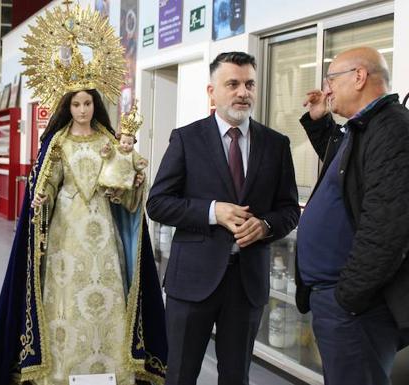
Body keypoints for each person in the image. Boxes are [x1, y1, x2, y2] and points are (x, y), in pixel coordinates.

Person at [0, 4, 167, 385]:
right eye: (76, 103)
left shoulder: (109, 141)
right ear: (67, 106)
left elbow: (124, 184)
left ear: (96, 103)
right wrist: (41, 198)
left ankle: (109, 366)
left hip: (101, 229)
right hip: (65, 230)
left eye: (88, 102)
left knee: (106, 292)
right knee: (64, 297)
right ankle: (60, 369)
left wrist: (131, 184)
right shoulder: (58, 142)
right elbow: (45, 181)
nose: (82, 109)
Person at [146, 51, 300, 385]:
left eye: (249, 84)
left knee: (235, 377)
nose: (243, 92)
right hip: (192, 281)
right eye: (232, 84)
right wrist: (212, 211)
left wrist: (266, 226)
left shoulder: (276, 144)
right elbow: (157, 204)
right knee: (180, 374)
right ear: (212, 91)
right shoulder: (187, 139)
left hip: (247, 284)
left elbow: (289, 209)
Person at [297, 46, 409, 385]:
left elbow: (388, 228)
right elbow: (344, 171)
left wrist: (349, 296)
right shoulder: (362, 129)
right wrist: (320, 122)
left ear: (359, 77)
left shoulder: (392, 130)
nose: (326, 89)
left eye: (331, 79)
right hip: (338, 299)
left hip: (354, 305)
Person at [98, 103, 148, 203]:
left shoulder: (133, 153)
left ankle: (117, 196)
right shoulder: (113, 147)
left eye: (129, 143)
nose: (126, 145)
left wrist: (141, 167)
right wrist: (106, 151)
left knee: (123, 187)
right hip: (112, 175)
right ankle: (110, 191)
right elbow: (106, 155)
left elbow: (137, 164)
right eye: (123, 142)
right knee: (110, 182)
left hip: (126, 178)